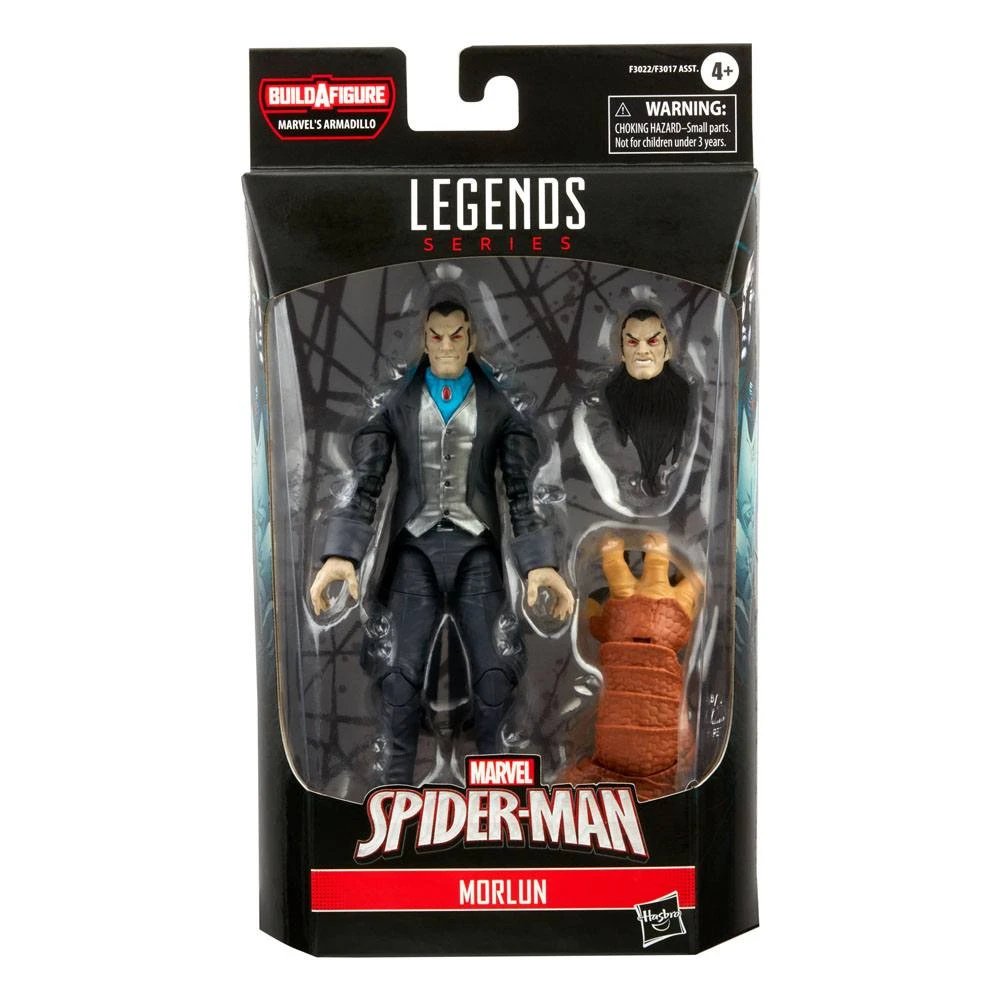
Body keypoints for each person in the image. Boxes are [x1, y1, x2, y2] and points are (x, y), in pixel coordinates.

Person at [310, 299, 574, 784]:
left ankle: (498, 794)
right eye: (437, 335)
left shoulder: (498, 405)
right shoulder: (397, 403)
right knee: (398, 679)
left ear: (471, 338)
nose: (447, 345)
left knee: (494, 673)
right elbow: (365, 482)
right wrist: (341, 556)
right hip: (415, 548)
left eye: (457, 335)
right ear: (424, 339)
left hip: (477, 551)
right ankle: (394, 794)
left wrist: (540, 565)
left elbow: (522, 492)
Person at [603, 308, 691, 495]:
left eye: (653, 341)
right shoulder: (608, 401)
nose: (642, 351)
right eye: (632, 342)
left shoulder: (685, 398)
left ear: (667, 351)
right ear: (622, 352)